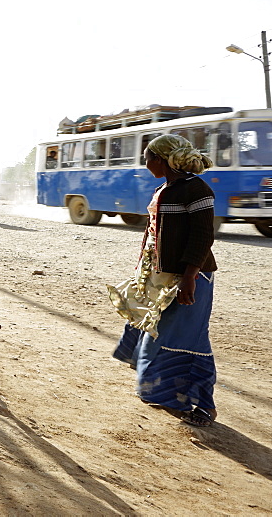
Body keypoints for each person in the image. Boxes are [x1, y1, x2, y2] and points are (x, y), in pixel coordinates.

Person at [111, 134, 217, 427]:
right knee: (153, 331)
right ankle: (165, 393)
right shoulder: (164, 189)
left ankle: (204, 406)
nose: (145, 164)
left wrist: (189, 278)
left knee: (186, 339)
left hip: (188, 279)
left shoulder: (196, 190)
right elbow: (154, 236)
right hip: (160, 277)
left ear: (161, 159)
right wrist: (141, 275)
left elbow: (202, 237)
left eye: (147, 158)